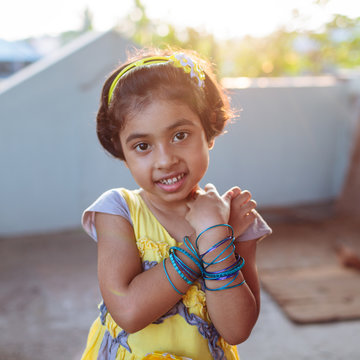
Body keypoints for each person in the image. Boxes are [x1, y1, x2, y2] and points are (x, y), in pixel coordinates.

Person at [81, 47, 272, 360]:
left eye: (180, 135)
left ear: (209, 130)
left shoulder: (237, 215)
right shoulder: (117, 211)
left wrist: (221, 234)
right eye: (142, 146)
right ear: (123, 155)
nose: (165, 160)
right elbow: (128, 311)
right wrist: (208, 239)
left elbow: (236, 329)